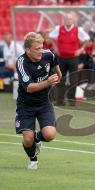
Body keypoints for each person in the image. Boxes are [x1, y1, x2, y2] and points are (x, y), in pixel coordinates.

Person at [15, 32, 62, 170]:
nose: (40, 51)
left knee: (50, 135)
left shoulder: (48, 55)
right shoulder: (22, 63)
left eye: (41, 47)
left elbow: (55, 62)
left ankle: (37, 138)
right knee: (27, 139)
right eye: (37, 49)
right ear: (28, 50)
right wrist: (48, 82)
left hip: (44, 103)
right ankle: (33, 159)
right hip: (26, 105)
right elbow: (29, 88)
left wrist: (59, 76)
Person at [49, 12, 90, 106]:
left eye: (70, 19)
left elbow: (87, 39)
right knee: (60, 78)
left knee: (73, 79)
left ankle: (71, 100)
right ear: (64, 20)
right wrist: (55, 47)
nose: (68, 20)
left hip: (73, 58)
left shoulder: (78, 30)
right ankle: (60, 100)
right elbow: (50, 37)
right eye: (67, 18)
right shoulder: (58, 29)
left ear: (73, 20)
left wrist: (81, 49)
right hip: (61, 58)